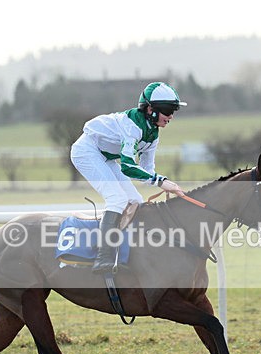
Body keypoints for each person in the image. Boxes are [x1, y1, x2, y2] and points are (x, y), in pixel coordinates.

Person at [70, 81, 187, 273]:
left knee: (135, 201)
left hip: (106, 156)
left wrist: (165, 182)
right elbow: (127, 166)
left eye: (173, 111)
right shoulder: (132, 126)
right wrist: (161, 182)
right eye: (167, 110)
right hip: (86, 151)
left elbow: (146, 169)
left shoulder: (153, 133)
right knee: (117, 199)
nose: (171, 117)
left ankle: (133, 253)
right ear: (150, 109)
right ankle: (103, 257)